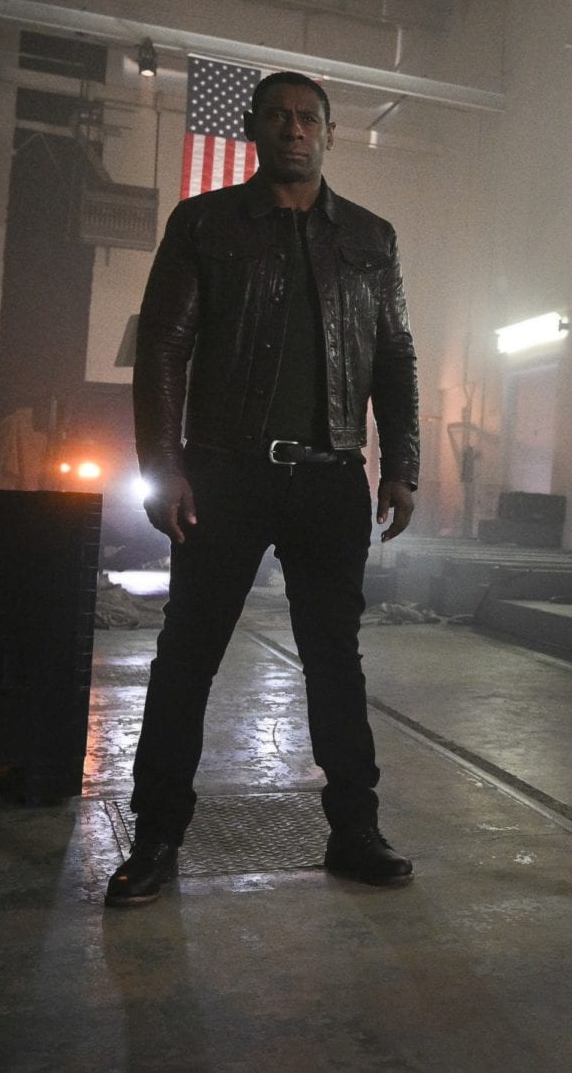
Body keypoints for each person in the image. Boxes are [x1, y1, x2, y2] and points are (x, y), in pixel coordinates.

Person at [108, 71, 420, 906]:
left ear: (329, 133)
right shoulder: (204, 223)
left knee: (335, 662)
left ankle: (355, 831)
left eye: (309, 118)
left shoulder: (371, 237)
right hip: (224, 472)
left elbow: (394, 356)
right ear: (253, 129)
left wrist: (402, 463)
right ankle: (157, 837)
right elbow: (164, 349)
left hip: (330, 477)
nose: (294, 130)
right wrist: (163, 467)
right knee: (188, 656)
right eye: (279, 117)